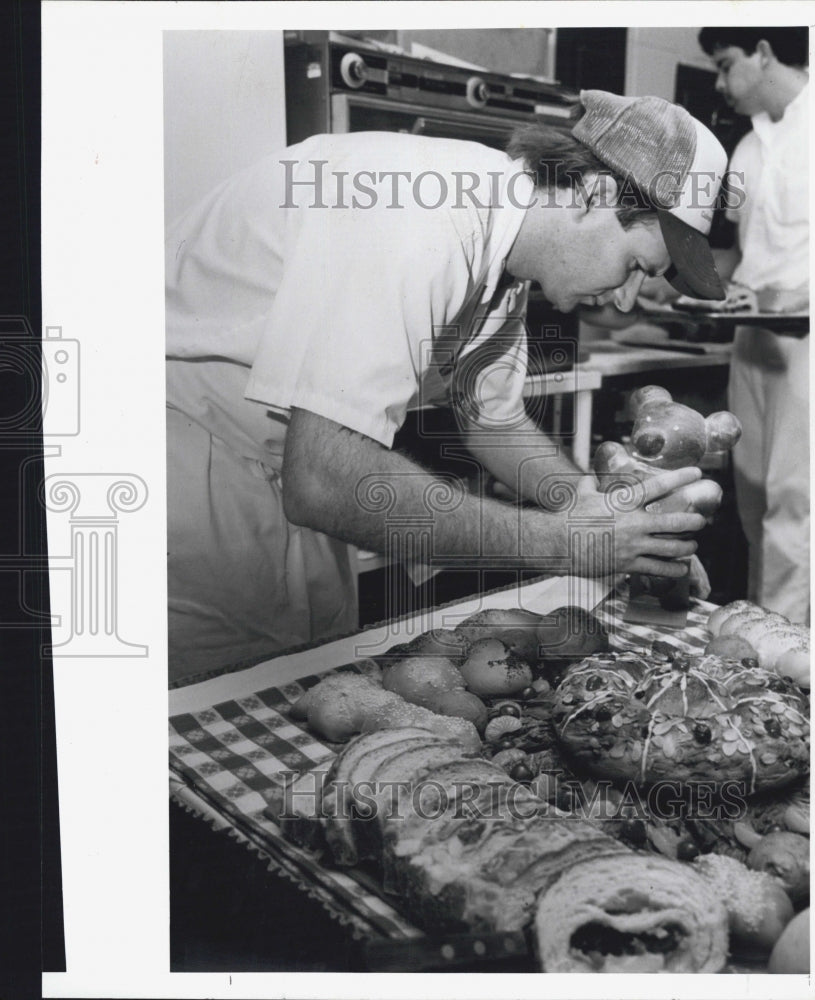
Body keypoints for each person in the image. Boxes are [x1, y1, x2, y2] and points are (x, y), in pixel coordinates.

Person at [166, 89, 728, 682]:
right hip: (190, 469)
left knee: (309, 688)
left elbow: (492, 418)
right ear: (597, 193)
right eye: (637, 266)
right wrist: (567, 543)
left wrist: (597, 510)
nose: (626, 299)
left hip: (274, 475)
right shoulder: (419, 220)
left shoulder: (505, 249)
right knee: (212, 709)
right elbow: (323, 478)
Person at [695, 27, 810, 624]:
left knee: (799, 502)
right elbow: (740, 255)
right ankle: (767, 630)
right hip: (754, 337)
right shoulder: (748, 145)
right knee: (753, 497)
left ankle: (790, 659)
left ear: (763, 51)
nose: (719, 82)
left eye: (725, 64)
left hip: (813, 345)